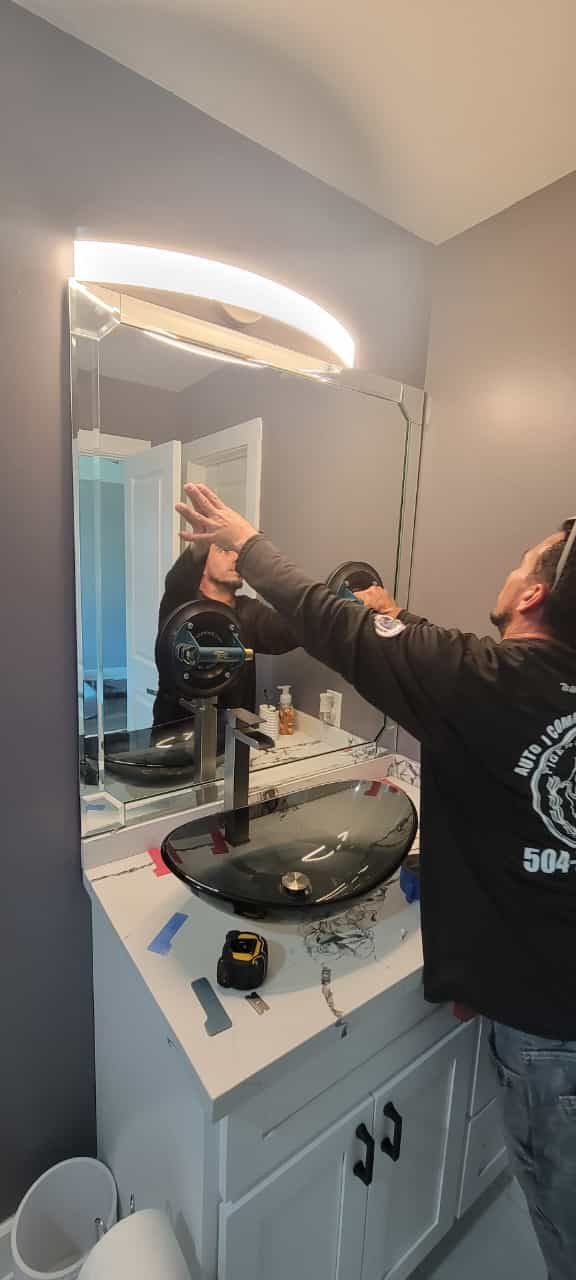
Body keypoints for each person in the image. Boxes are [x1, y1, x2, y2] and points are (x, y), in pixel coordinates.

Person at [177, 481, 576, 1280]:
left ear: (531, 593)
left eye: (522, 562)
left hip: (553, 1045)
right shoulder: (512, 686)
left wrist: (245, 541)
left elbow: (337, 625)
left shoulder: (487, 680)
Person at [153, 541, 296, 727]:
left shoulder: (250, 612)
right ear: (201, 566)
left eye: (238, 552)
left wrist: (332, 603)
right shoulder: (182, 605)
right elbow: (176, 582)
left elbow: (292, 632)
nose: (236, 557)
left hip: (234, 737)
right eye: (225, 550)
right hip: (175, 738)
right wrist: (199, 546)